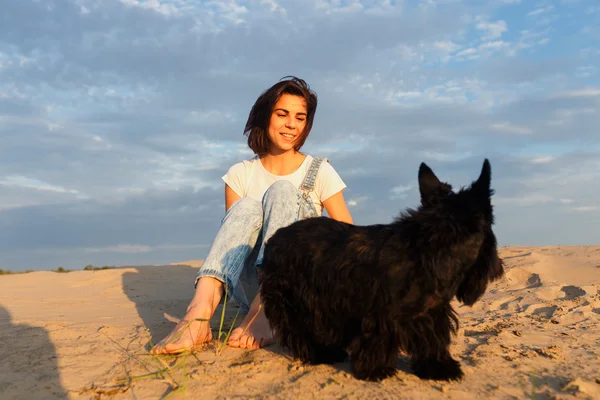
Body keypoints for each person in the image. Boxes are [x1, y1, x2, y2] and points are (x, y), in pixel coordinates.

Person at [151, 76, 353, 353]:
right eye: (282, 114)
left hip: (301, 282)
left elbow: (347, 238)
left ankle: (267, 312)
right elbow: (236, 246)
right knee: (245, 207)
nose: (292, 124)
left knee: (282, 191)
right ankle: (198, 314)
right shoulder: (239, 174)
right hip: (251, 284)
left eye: (300, 117)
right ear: (265, 116)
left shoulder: (320, 170)